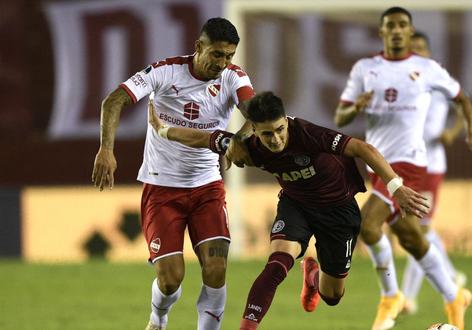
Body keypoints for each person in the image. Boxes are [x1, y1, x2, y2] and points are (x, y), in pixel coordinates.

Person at [147, 91, 429, 330]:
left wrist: (397, 188)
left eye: (280, 129)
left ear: (286, 121)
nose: (276, 139)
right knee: (276, 266)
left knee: (332, 295)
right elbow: (203, 138)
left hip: (339, 211)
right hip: (296, 205)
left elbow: (363, 149)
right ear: (254, 130)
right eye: (267, 133)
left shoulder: (307, 134)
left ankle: (312, 275)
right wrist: (162, 129)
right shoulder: (247, 148)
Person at [91, 17, 255, 330]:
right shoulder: (165, 71)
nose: (223, 63)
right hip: (162, 189)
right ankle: (158, 319)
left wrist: (239, 142)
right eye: (217, 54)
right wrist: (106, 149)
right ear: (199, 47)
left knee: (217, 268)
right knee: (170, 279)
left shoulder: (234, 78)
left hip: (207, 187)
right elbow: (113, 101)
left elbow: (256, 116)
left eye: (229, 56)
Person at [334, 7, 472, 330]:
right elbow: (339, 117)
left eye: (403, 25)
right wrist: (354, 107)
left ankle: (391, 296)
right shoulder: (366, 68)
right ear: (381, 32)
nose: (397, 30)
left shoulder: (426, 68)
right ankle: (453, 294)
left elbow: (462, 99)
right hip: (378, 162)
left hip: (411, 162)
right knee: (412, 238)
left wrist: (470, 131)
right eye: (391, 26)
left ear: (410, 30)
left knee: (368, 225)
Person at [400, 31, 468, 315]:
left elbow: (464, 105)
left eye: (420, 48)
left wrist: (452, 132)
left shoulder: (438, 78)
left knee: (419, 229)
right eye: (411, 49)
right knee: (419, 226)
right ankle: (452, 277)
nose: (416, 53)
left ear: (427, 51)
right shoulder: (399, 80)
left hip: (431, 165)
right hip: (406, 162)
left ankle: (407, 298)